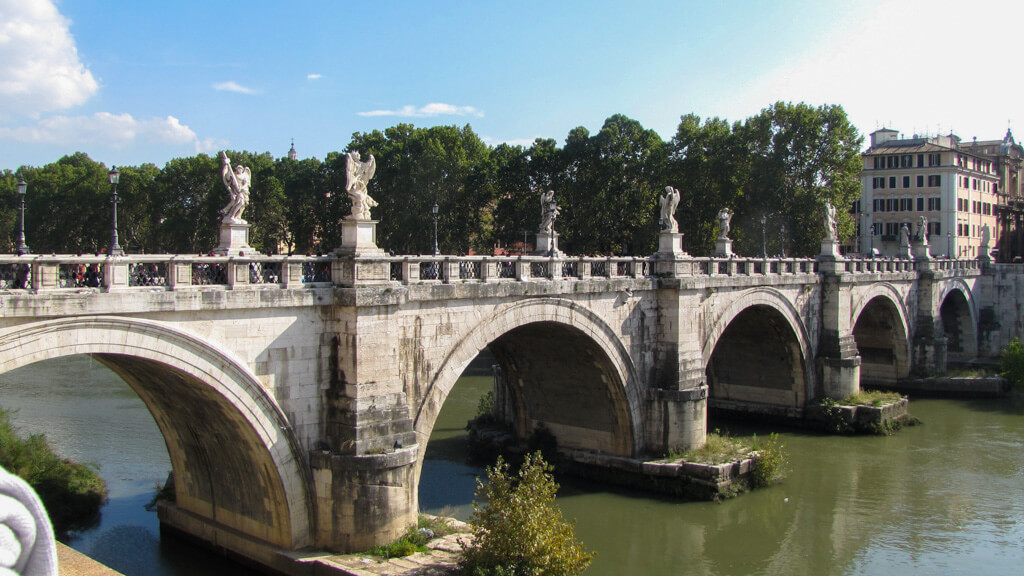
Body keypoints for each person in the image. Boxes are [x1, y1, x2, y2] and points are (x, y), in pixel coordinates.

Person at [345, 151, 378, 220]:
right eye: (357, 154)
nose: (359, 155)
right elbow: (349, 170)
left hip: (361, 185)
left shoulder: (362, 164)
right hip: (354, 185)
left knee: (363, 198)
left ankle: (362, 213)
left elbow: (368, 166)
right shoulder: (353, 164)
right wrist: (349, 156)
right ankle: (358, 214)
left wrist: (371, 159)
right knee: (360, 197)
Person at [220, 152, 251, 223]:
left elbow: (246, 183)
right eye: (238, 168)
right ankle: (232, 216)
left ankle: (237, 216)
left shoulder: (244, 175)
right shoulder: (233, 175)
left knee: (243, 205)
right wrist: (226, 165)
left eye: (240, 169)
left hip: (243, 191)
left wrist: (242, 187)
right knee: (240, 202)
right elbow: (227, 178)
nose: (239, 170)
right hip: (236, 192)